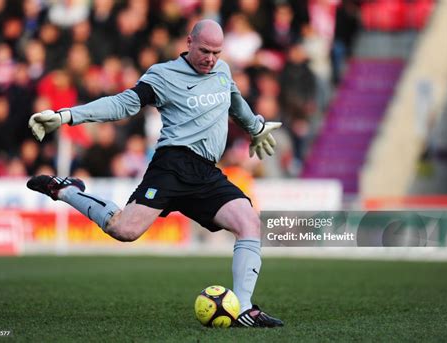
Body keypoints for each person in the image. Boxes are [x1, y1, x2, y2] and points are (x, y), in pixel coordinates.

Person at [26, 19, 283, 328]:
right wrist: (67, 115)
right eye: (204, 51)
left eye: (217, 52)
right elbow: (122, 104)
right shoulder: (163, 75)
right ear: (189, 43)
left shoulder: (223, 71)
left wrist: (255, 127)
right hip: (172, 166)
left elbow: (235, 102)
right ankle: (67, 190)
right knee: (124, 229)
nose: (211, 59)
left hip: (205, 172)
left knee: (248, 222)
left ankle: (243, 308)